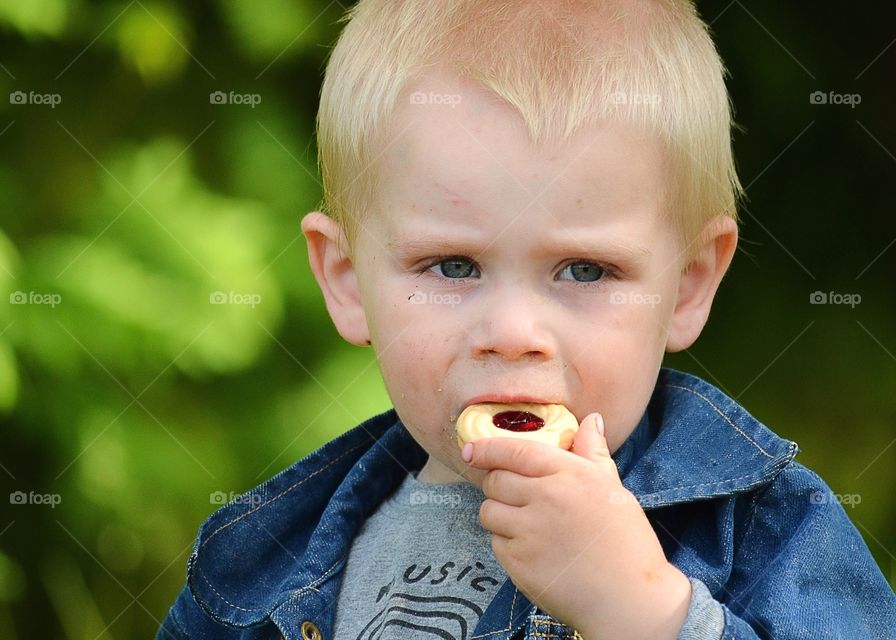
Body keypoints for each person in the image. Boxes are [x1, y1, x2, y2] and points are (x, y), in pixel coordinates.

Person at [158, 1, 896, 638]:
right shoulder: (261, 560)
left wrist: (646, 614)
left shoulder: (764, 533)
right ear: (348, 282)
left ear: (688, 285)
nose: (513, 333)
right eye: (452, 267)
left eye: (584, 271)